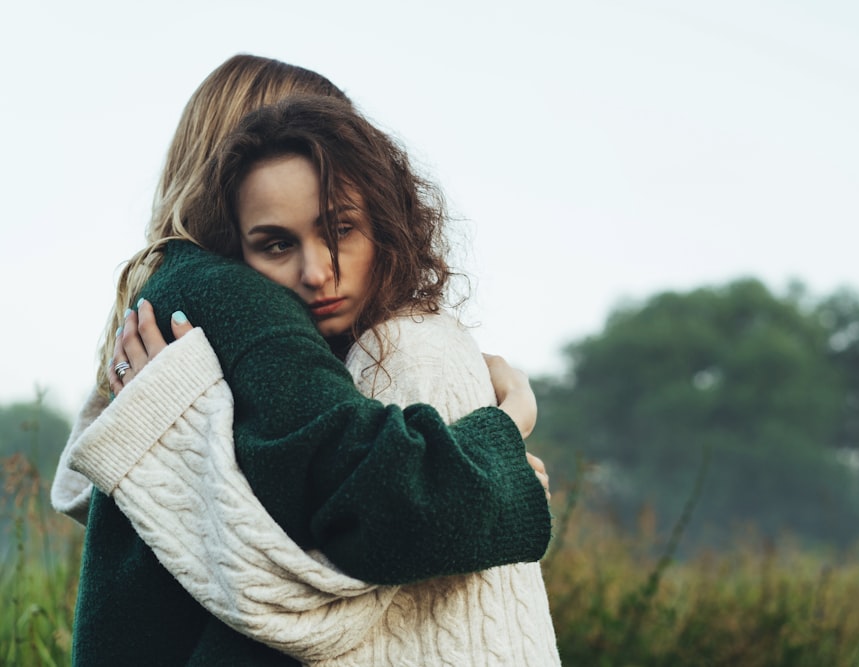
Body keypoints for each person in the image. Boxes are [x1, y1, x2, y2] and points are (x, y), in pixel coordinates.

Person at [51, 56, 553, 666]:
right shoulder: (232, 293)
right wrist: (504, 436)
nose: (318, 273)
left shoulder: (170, 293)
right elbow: (384, 500)